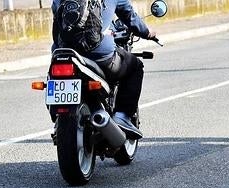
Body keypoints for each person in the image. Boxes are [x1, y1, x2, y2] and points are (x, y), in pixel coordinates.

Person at [51, 0, 157, 139]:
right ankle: (122, 116)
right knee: (135, 66)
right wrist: (147, 32)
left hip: (63, 52)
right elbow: (130, 17)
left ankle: (57, 117)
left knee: (52, 78)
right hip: (99, 55)